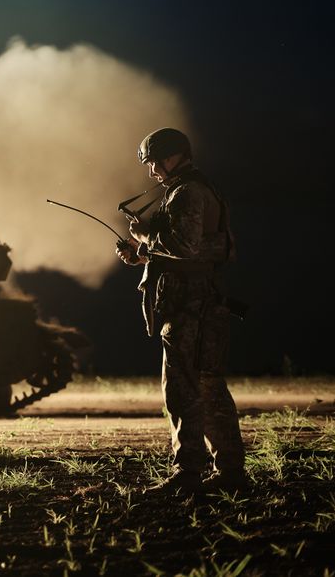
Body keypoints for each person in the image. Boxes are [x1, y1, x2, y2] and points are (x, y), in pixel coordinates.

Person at [115, 128, 248, 494]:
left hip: (192, 307)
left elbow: (184, 247)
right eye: (149, 163)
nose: (153, 170)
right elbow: (190, 249)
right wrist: (140, 256)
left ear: (177, 156)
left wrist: (143, 238)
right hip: (199, 304)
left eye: (157, 161)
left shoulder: (188, 192)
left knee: (185, 390)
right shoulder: (193, 188)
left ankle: (189, 473)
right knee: (205, 387)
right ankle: (229, 473)